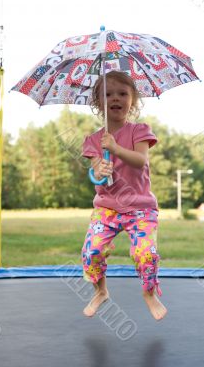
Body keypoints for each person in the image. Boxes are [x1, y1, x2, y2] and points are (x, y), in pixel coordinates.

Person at [81, 71, 167, 321]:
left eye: (122, 94)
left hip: (140, 207)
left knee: (146, 254)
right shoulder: (93, 140)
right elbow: (95, 173)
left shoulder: (140, 131)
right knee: (92, 252)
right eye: (107, 94)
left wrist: (116, 148)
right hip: (107, 208)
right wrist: (99, 168)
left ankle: (149, 293)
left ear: (134, 100)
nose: (115, 98)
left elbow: (140, 161)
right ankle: (101, 291)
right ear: (98, 102)